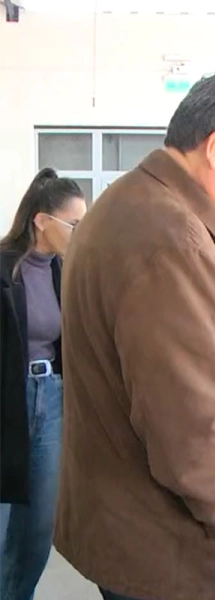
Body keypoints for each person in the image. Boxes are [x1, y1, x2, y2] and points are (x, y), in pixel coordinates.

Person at [55, 70, 215, 600]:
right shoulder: (169, 239)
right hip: (175, 556)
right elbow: (196, 432)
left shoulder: (138, 205)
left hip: (146, 537)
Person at [0, 169, 86, 599]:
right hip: (6, 402)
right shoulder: (3, 269)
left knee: (37, 528)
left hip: (49, 398)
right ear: (40, 220)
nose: (79, 232)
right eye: (74, 223)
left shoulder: (62, 273)